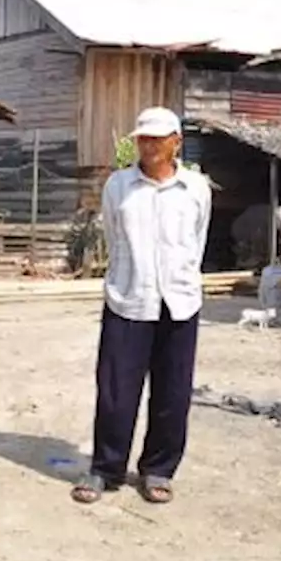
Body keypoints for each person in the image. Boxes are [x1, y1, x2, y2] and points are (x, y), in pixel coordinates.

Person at [72, 106, 212, 506]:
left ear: (176, 143)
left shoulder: (196, 189)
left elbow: (196, 243)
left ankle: (159, 469)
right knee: (116, 391)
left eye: (157, 138)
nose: (148, 146)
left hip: (179, 303)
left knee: (173, 392)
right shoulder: (119, 186)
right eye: (143, 139)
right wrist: (126, 280)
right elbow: (115, 239)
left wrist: (181, 279)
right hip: (129, 300)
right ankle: (105, 468)